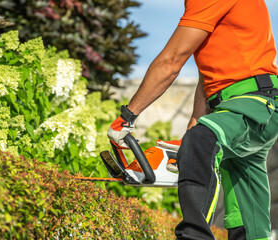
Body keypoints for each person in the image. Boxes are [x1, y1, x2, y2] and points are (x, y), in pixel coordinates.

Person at [107, 0, 278, 239]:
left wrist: (126, 118)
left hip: (254, 103)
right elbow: (208, 78)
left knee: (201, 141)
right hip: (234, 107)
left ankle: (193, 236)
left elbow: (171, 61)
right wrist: (193, 133)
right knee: (246, 219)